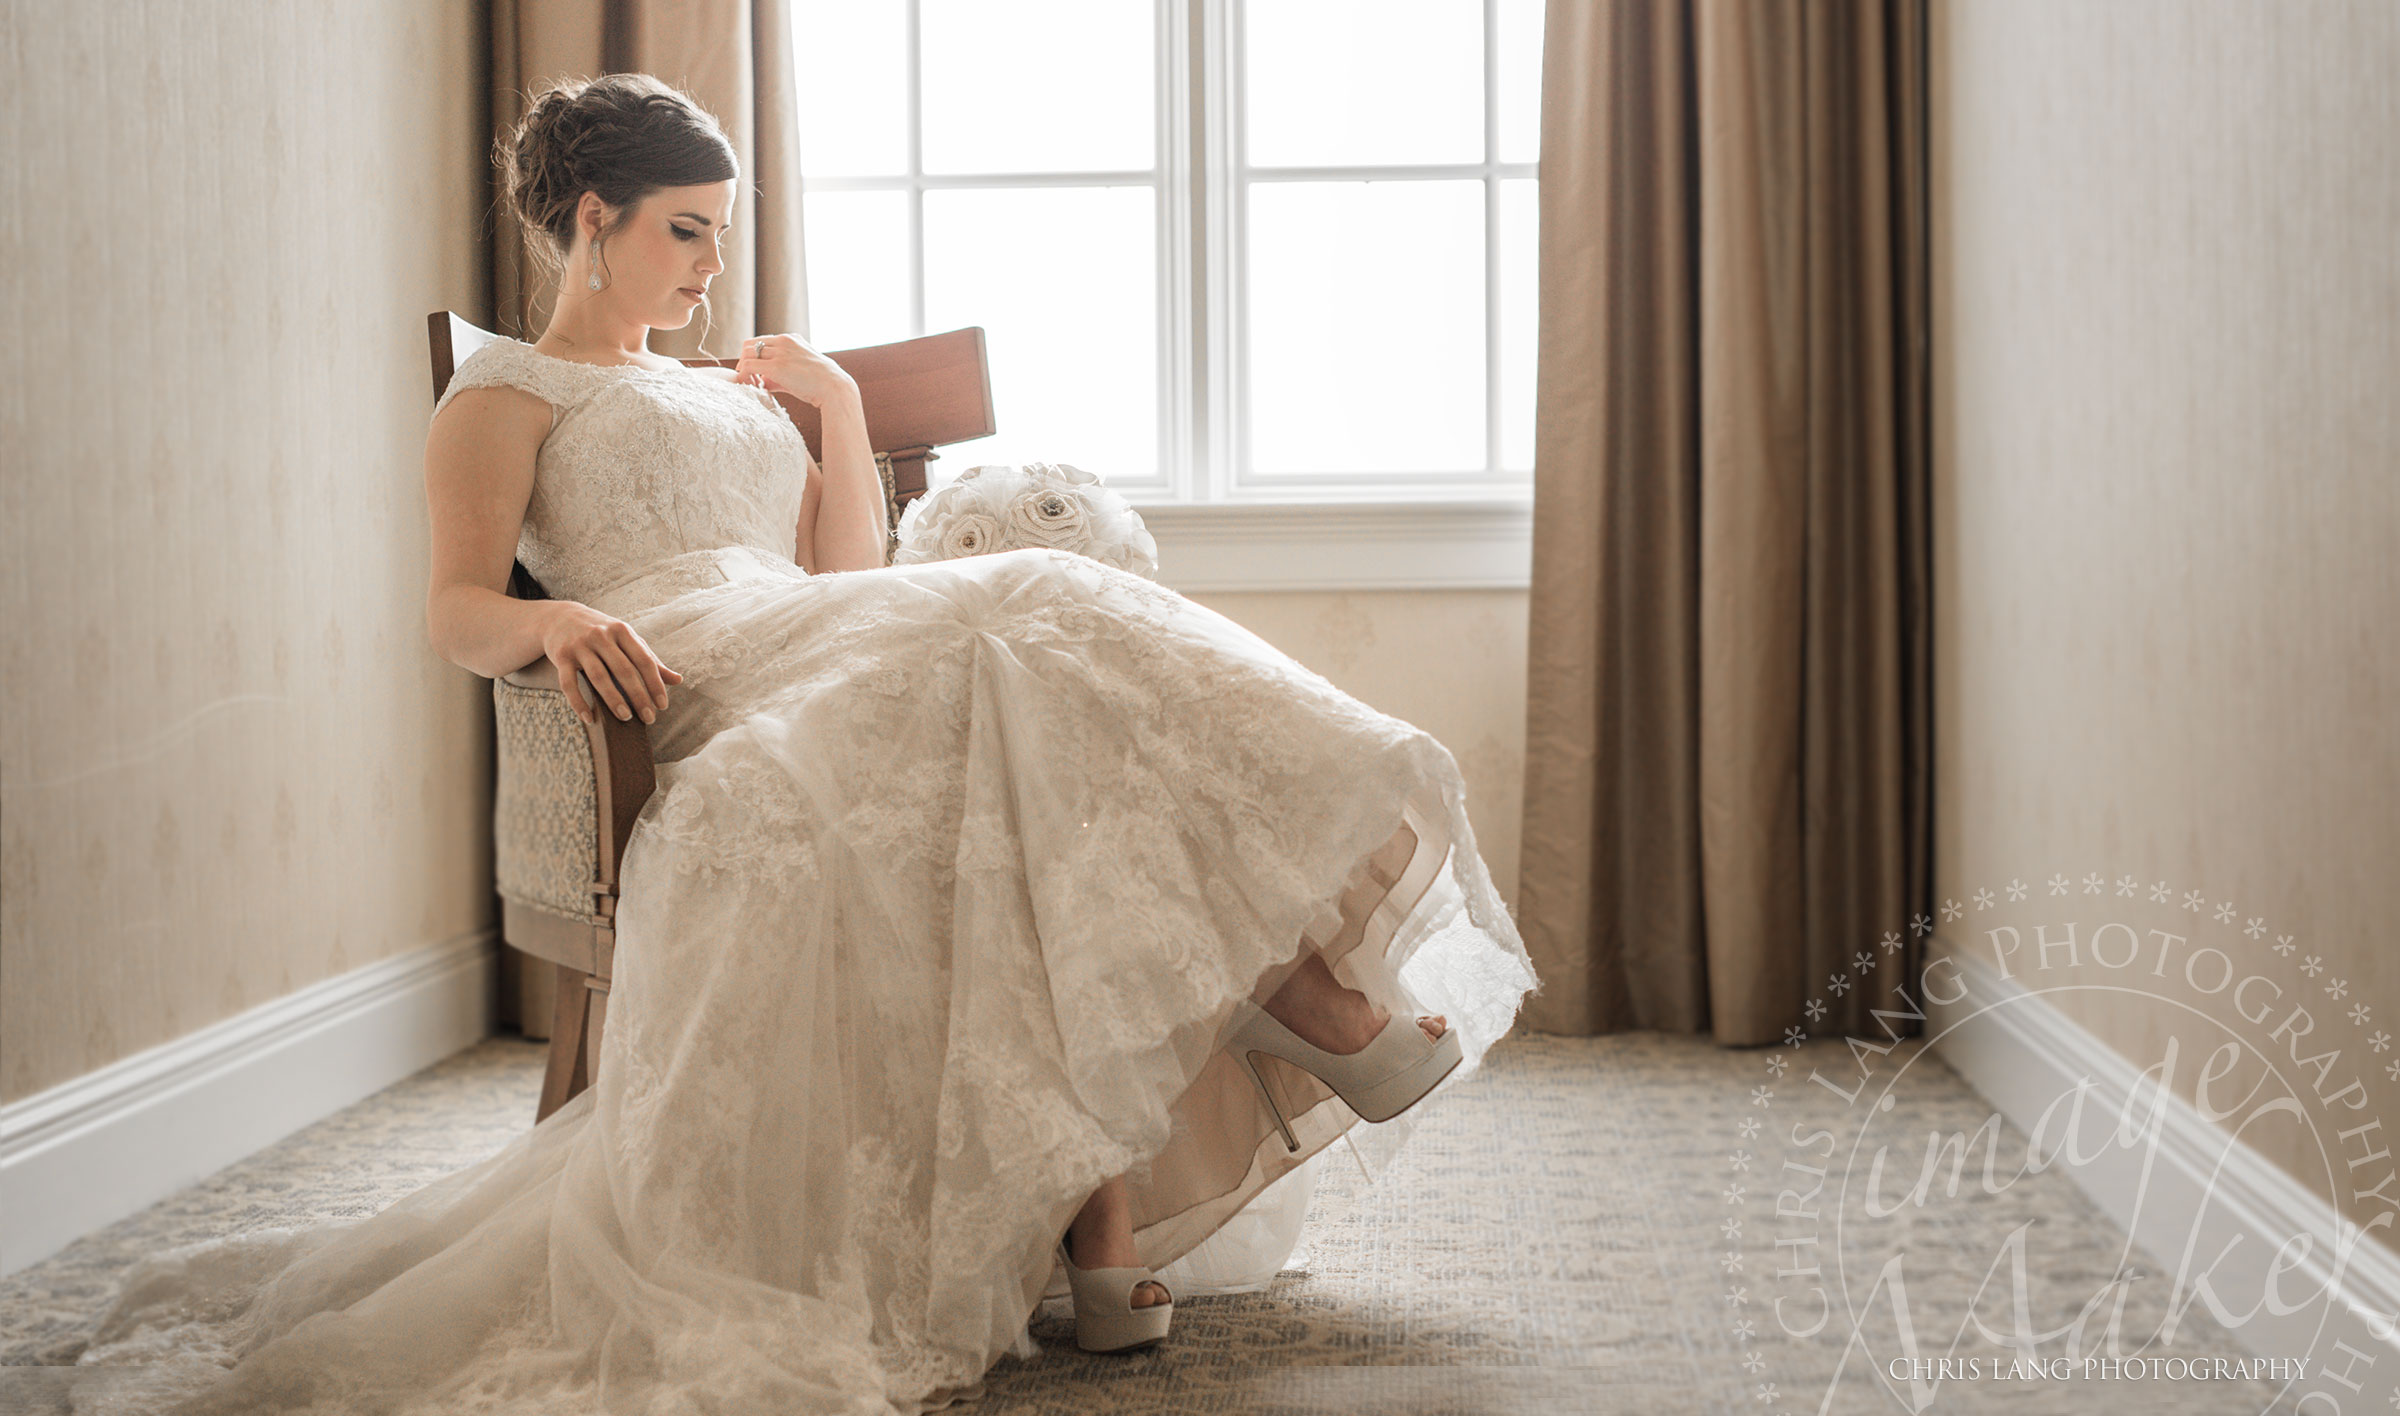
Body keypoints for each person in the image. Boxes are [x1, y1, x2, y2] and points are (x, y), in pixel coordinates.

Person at [65, 73, 1539, 1415]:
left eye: (719, 234)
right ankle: (1307, 1004)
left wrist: (832, 413)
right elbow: (455, 605)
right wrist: (554, 623)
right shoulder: (506, 389)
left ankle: (1112, 1222)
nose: (712, 266)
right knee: (1036, 616)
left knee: (1035, 685)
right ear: (594, 222)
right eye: (687, 233)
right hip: (684, 667)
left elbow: (847, 586)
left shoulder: (736, 388)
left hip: (817, 640)